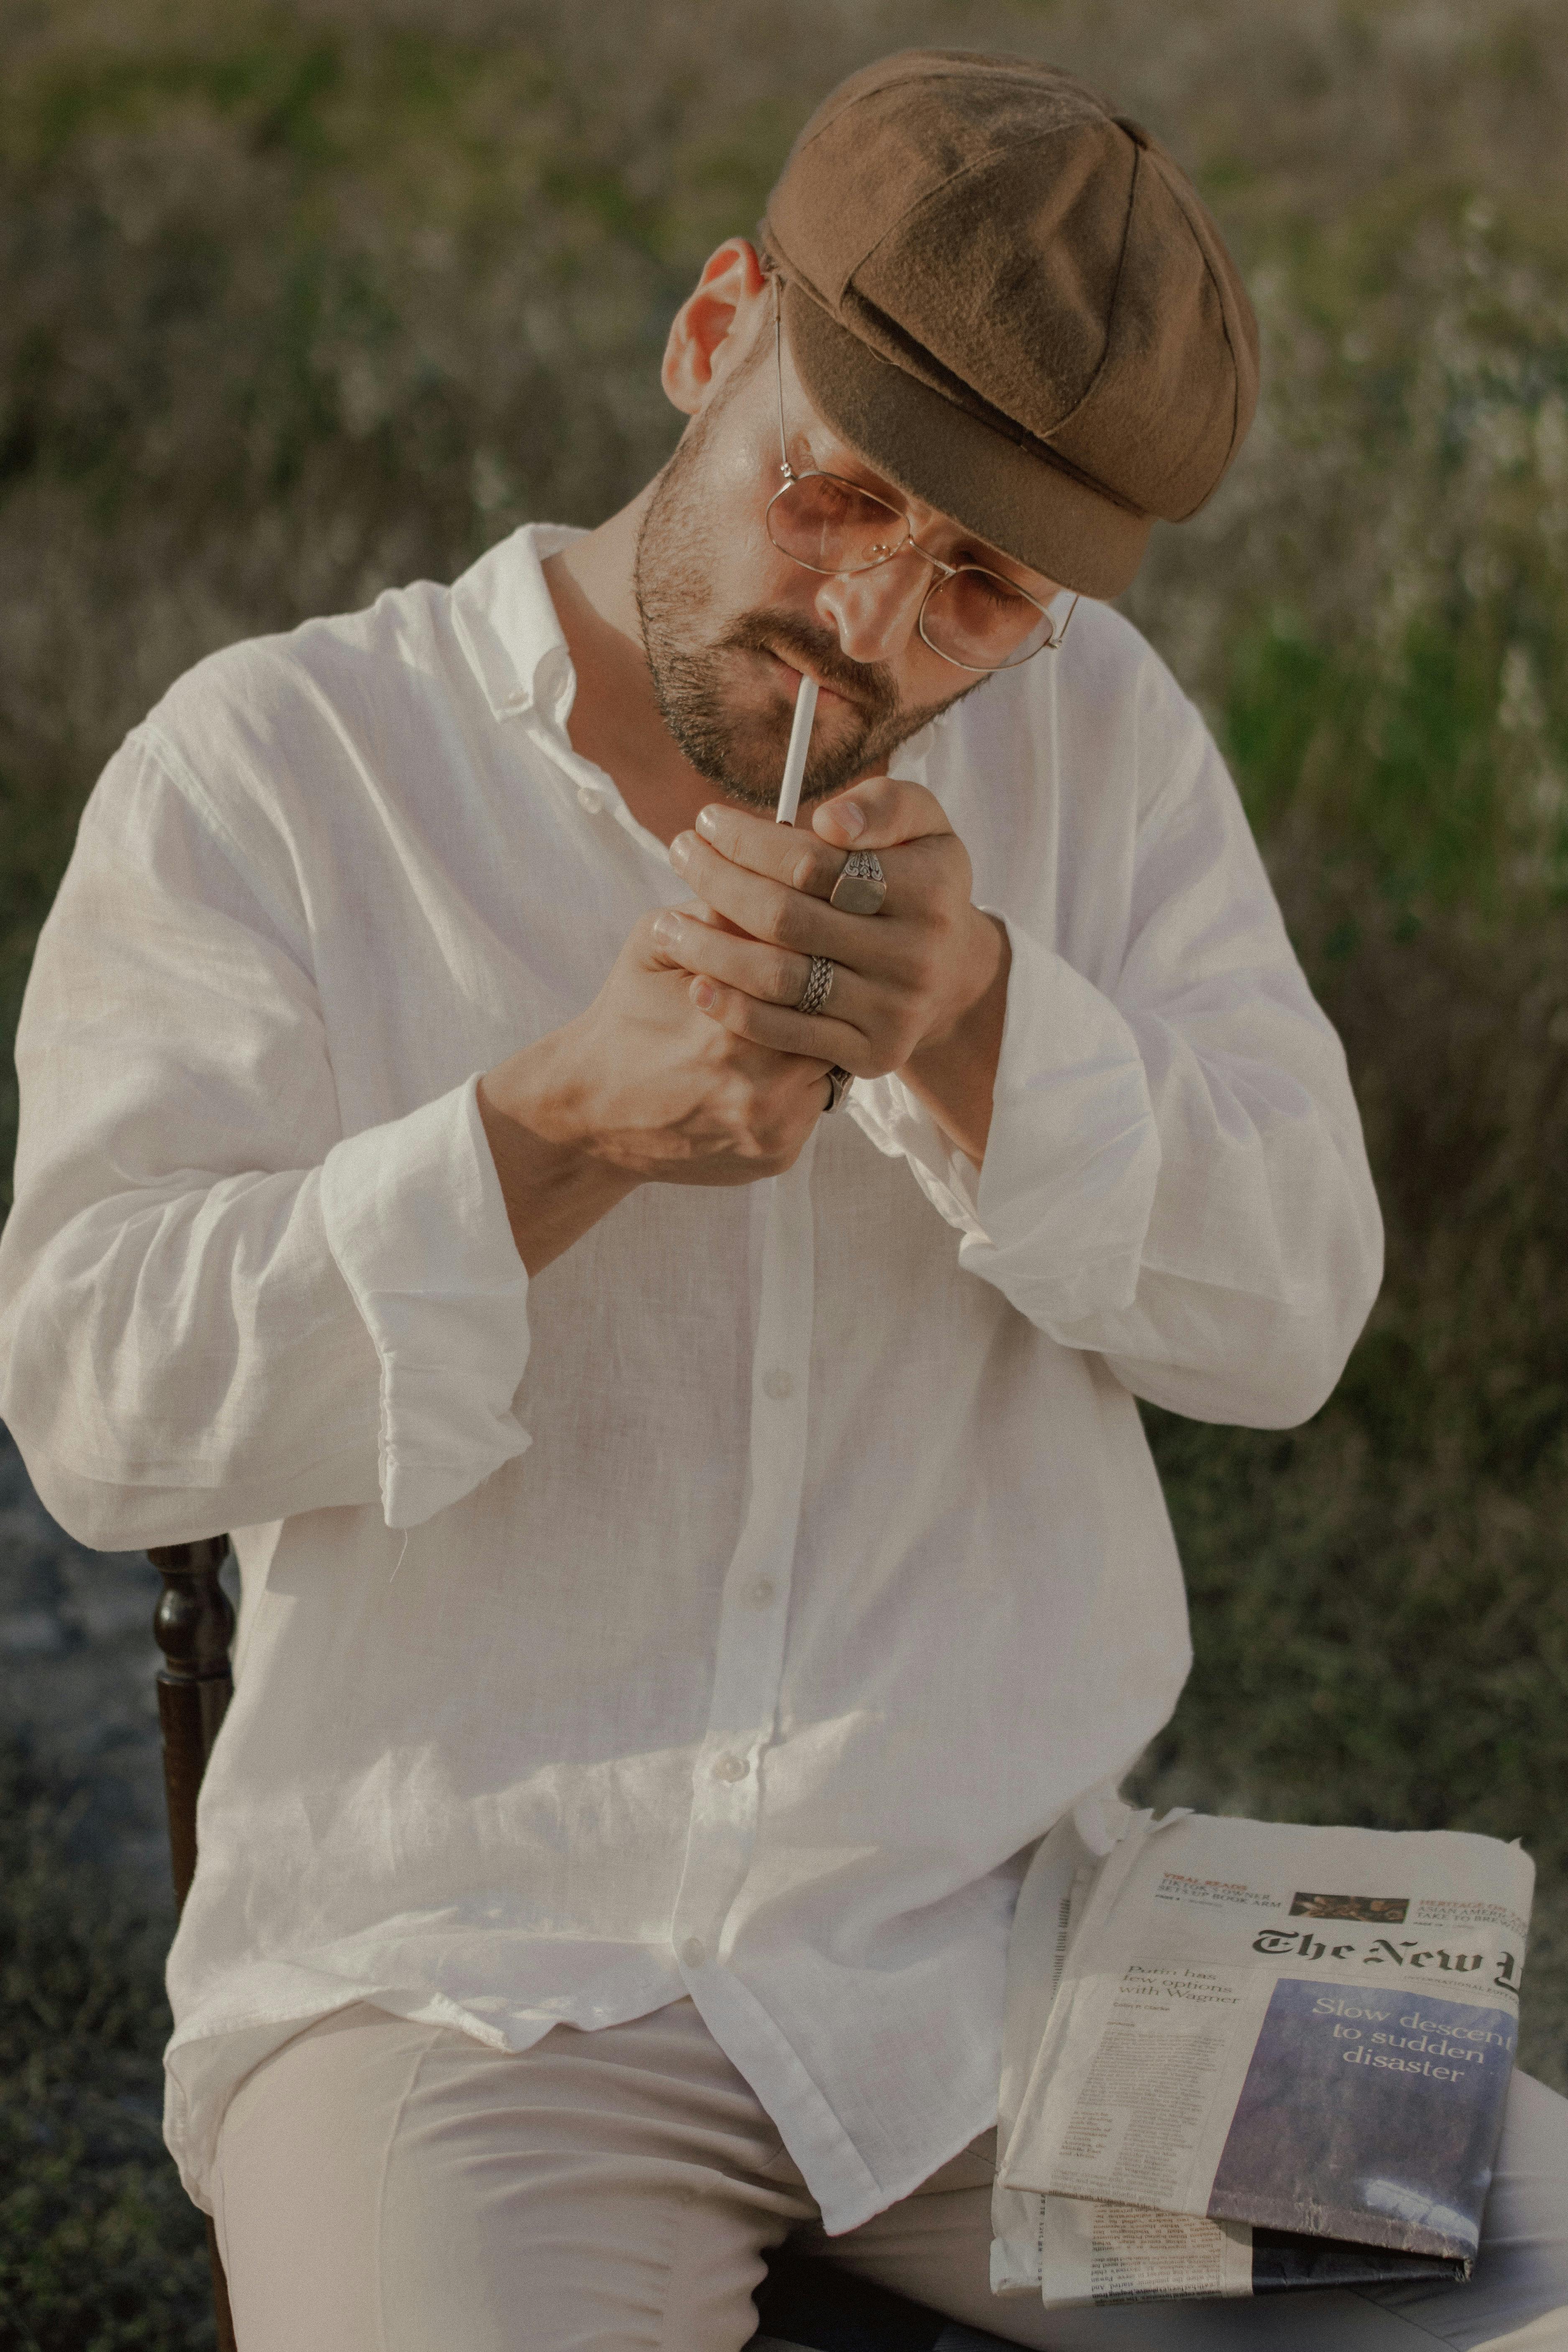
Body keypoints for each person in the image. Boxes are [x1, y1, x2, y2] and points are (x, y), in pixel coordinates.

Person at [0, 47, 1562, 2352]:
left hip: (1026, 1948)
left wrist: (981, 1021)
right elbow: (95, 1400)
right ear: (713, 326)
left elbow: (1292, 1312)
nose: (871, 626)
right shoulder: (285, 762)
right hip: (459, 1976)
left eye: (975, 588)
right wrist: (551, 1134)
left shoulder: (1100, 742)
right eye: (831, 500)